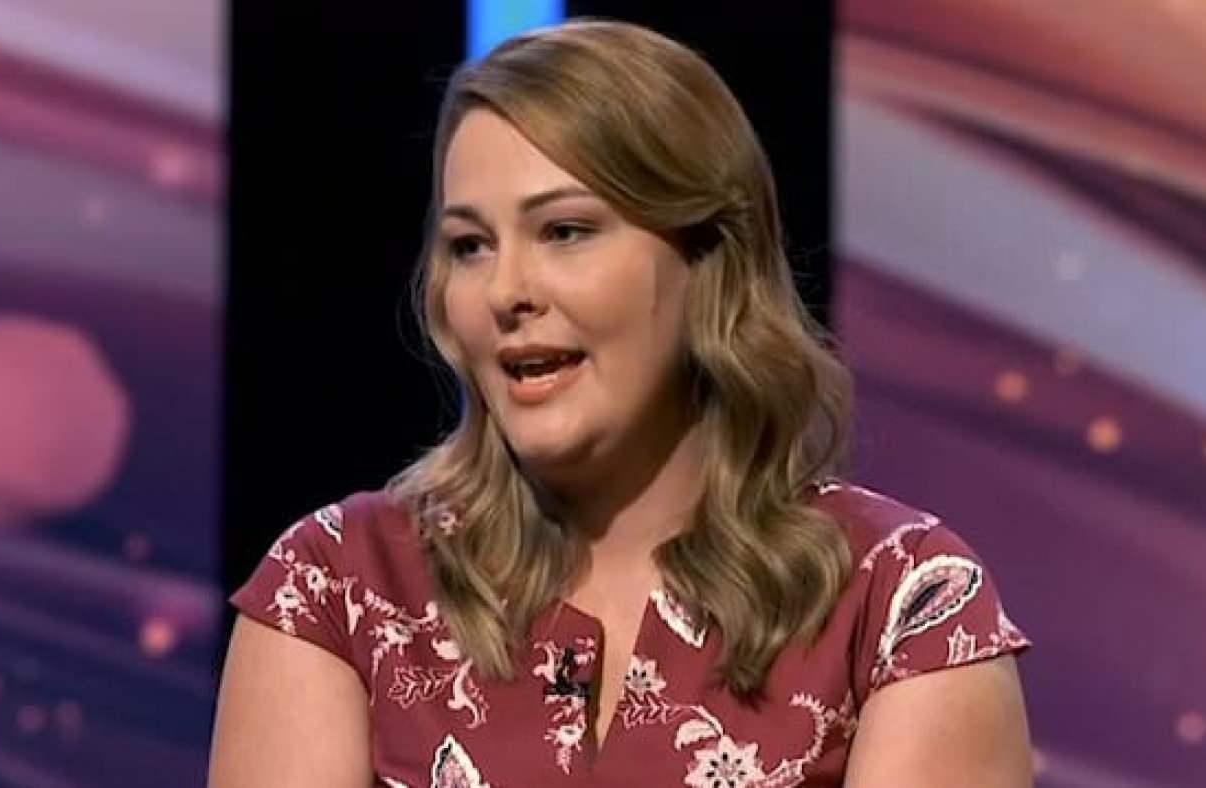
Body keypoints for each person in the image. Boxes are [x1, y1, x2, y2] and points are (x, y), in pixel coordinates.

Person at [208, 18, 1033, 788]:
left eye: (564, 231)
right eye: (470, 246)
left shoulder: (898, 603)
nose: (506, 290)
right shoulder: (337, 588)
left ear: (707, 260)